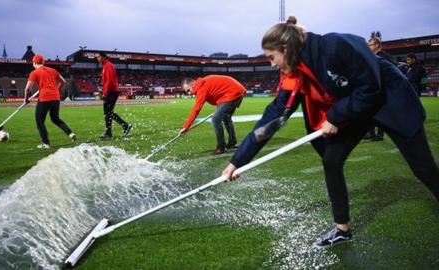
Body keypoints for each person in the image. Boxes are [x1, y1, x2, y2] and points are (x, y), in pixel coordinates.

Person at [221, 17, 439, 248]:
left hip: (390, 102)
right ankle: (342, 230)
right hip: (357, 108)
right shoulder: (294, 73)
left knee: (423, 169)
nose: (272, 64)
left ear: (285, 49)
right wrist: (238, 161)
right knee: (331, 159)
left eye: (271, 57)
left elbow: (371, 88)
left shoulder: (335, 45)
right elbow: (272, 119)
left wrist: (335, 116)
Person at [179, 75, 246, 155]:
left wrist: (186, 127)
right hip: (236, 92)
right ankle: (232, 142)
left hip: (233, 93)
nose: (189, 94)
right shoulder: (202, 83)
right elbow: (219, 93)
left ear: (193, 84)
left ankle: (221, 147)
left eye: (188, 90)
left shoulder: (201, 88)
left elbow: (196, 109)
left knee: (216, 119)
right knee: (225, 117)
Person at [24, 54, 77, 149]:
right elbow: (63, 81)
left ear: (34, 63)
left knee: (40, 121)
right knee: (55, 119)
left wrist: (26, 99)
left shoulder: (34, 73)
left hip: (44, 98)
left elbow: (27, 88)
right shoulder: (53, 70)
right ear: (43, 62)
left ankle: (46, 143)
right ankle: (70, 133)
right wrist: (57, 90)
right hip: (56, 98)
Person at [96, 52, 132, 139]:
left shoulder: (108, 65)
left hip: (112, 92)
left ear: (104, 57)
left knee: (108, 112)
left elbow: (109, 81)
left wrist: (104, 94)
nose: (97, 58)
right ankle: (109, 132)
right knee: (107, 113)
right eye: (97, 57)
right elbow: (106, 82)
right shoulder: (105, 66)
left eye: (99, 57)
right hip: (110, 92)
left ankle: (125, 126)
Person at [363, 36, 393, 141]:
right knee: (370, 111)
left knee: (380, 112)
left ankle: (379, 134)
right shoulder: (372, 56)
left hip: (383, 88)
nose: (369, 47)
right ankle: (371, 133)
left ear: (377, 45)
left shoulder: (384, 56)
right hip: (375, 88)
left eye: (370, 45)